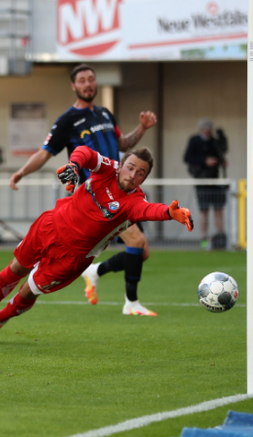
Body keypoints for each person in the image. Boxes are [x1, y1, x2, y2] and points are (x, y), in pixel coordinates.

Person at [0, 146, 194, 343]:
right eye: (130, 167)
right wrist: (74, 165)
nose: (133, 174)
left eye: (140, 173)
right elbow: (85, 152)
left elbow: (149, 210)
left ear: (144, 179)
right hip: (50, 226)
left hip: (72, 258)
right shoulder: (108, 168)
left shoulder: (134, 201)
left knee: (28, 291)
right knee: (16, 268)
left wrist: (169, 212)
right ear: (122, 164)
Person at [10, 63, 161, 316]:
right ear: (74, 86)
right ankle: (131, 303)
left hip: (121, 192)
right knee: (137, 241)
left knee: (142, 252)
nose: (88, 84)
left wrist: (143, 129)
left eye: (91, 79)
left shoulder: (105, 114)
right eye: (82, 80)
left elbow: (123, 144)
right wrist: (22, 171)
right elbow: (45, 152)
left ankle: (96, 271)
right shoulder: (67, 120)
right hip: (96, 196)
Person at [183, 119, 229, 249]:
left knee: (218, 209)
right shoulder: (194, 141)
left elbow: (221, 154)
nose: (208, 132)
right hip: (201, 181)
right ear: (201, 130)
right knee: (204, 211)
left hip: (215, 180)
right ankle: (204, 238)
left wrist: (221, 162)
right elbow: (187, 158)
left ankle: (220, 236)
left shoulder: (214, 142)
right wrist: (205, 161)